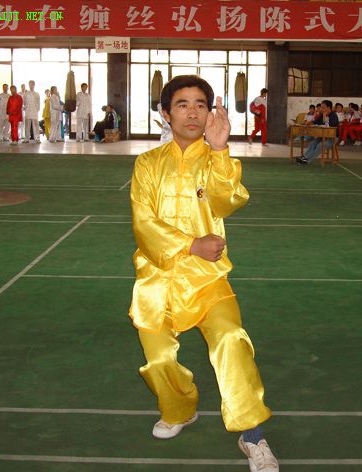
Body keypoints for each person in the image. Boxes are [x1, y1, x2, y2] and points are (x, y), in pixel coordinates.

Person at [129, 75, 279, 472]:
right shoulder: (147, 164)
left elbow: (227, 201)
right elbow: (143, 223)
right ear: (165, 114)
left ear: (210, 113)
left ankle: (252, 435)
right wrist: (190, 245)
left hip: (208, 279)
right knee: (158, 361)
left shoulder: (216, 158)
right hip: (156, 279)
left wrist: (220, 149)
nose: (192, 112)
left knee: (231, 339)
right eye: (182, 104)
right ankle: (180, 409)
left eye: (200, 104)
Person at [296, 99, 339, 165]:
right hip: (323, 136)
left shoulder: (334, 115)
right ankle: (304, 157)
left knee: (320, 145)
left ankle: (307, 161)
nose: (321, 109)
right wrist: (310, 122)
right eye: (321, 107)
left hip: (332, 138)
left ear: (329, 108)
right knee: (312, 143)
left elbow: (331, 126)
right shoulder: (322, 115)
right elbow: (315, 122)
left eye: (323, 107)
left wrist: (325, 117)